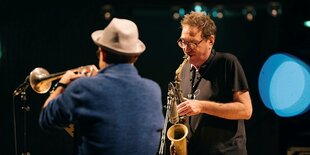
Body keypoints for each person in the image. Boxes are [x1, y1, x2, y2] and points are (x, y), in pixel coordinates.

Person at [39, 18, 164, 155]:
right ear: (135, 57)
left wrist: (62, 85)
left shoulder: (83, 87)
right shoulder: (153, 90)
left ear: (102, 53)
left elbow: (46, 119)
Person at [175, 12, 253, 155]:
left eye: (192, 42)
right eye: (183, 42)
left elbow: (246, 110)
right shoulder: (184, 70)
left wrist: (202, 106)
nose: (186, 49)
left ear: (210, 41)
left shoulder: (227, 63)